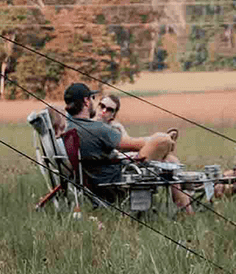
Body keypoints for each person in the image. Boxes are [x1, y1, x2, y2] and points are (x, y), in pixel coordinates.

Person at [63, 82, 190, 210]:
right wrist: (157, 141)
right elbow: (135, 144)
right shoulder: (97, 129)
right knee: (162, 140)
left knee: (170, 160)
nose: (95, 104)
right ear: (86, 101)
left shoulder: (70, 128)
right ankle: (187, 207)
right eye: (92, 98)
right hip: (118, 180)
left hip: (97, 183)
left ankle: (187, 210)